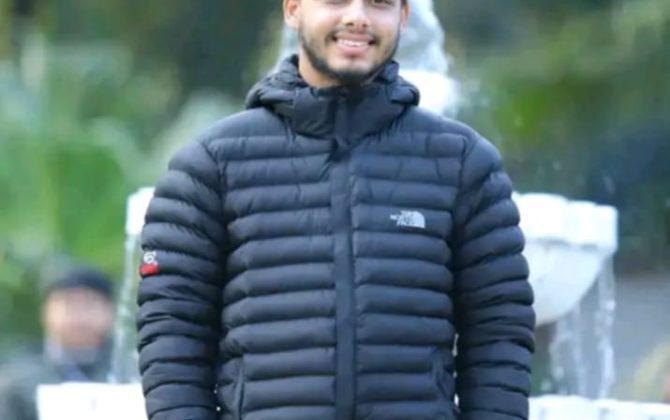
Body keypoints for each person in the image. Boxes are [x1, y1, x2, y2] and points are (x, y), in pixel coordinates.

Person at [137, 0, 535, 419]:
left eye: (379, 3)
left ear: (403, 16)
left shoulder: (464, 162)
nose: (357, 16)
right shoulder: (210, 165)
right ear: (293, 9)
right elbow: (171, 333)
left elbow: (499, 329)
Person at [0, 266, 115, 420]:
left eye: (89, 303)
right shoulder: (16, 379)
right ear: (45, 311)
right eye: (68, 303)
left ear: (110, 311)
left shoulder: (134, 371)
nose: (79, 314)